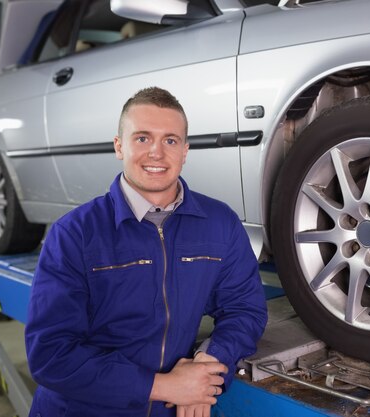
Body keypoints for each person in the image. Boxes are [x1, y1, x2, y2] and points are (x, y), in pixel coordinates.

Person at [25, 87, 268, 417]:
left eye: (170, 140)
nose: (156, 152)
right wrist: (166, 386)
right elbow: (51, 354)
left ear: (185, 151)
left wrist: (207, 371)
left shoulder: (219, 223)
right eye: (142, 138)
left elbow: (244, 309)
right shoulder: (74, 233)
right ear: (118, 146)